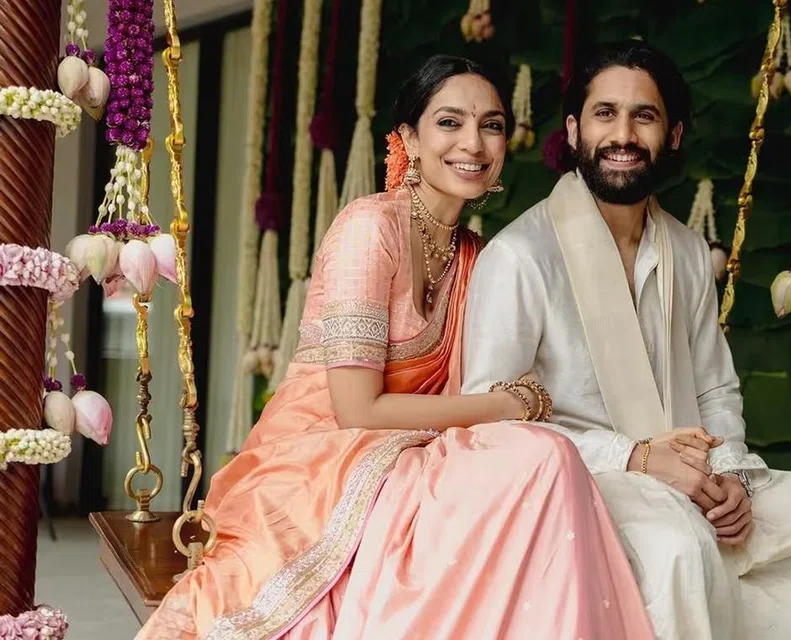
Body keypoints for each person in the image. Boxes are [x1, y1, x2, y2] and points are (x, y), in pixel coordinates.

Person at [139, 55, 657, 640]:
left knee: (542, 458)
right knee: (541, 455)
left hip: (419, 448)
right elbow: (356, 408)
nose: (473, 143)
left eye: (490, 125)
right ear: (409, 138)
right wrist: (507, 405)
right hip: (321, 455)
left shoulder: (476, 256)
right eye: (449, 122)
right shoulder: (370, 229)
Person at [461, 40, 791, 640]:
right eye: (605, 114)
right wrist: (633, 457)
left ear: (673, 134)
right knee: (681, 552)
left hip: (701, 476)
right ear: (573, 131)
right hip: (592, 484)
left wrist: (731, 477)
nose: (623, 135)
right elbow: (492, 425)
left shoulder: (684, 249)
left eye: (644, 116)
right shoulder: (521, 257)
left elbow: (714, 388)